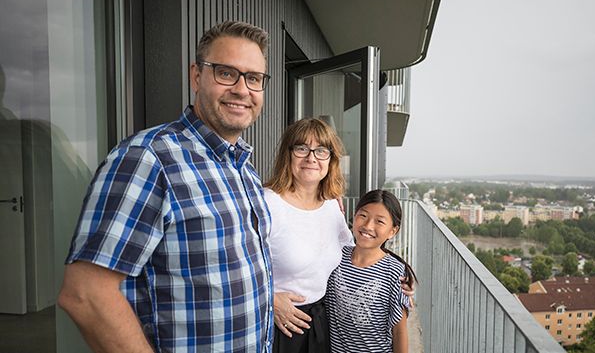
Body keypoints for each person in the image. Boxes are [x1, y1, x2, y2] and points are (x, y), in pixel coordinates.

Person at [58, 21, 275, 353]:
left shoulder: (243, 167)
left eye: (254, 78)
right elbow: (85, 295)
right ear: (196, 76)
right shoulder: (149, 159)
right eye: (226, 73)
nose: (242, 90)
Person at [264, 117, 352, 353]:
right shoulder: (267, 203)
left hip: (320, 322)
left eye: (321, 150)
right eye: (302, 148)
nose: (311, 157)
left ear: (331, 160)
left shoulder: (332, 204)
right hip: (277, 325)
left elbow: (351, 254)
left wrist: (394, 274)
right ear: (288, 154)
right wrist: (269, 299)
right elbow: (234, 264)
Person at [324, 190, 417, 353]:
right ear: (354, 215)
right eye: (363, 216)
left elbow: (399, 331)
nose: (368, 226)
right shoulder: (336, 256)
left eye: (379, 221)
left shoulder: (395, 271)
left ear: (393, 231)